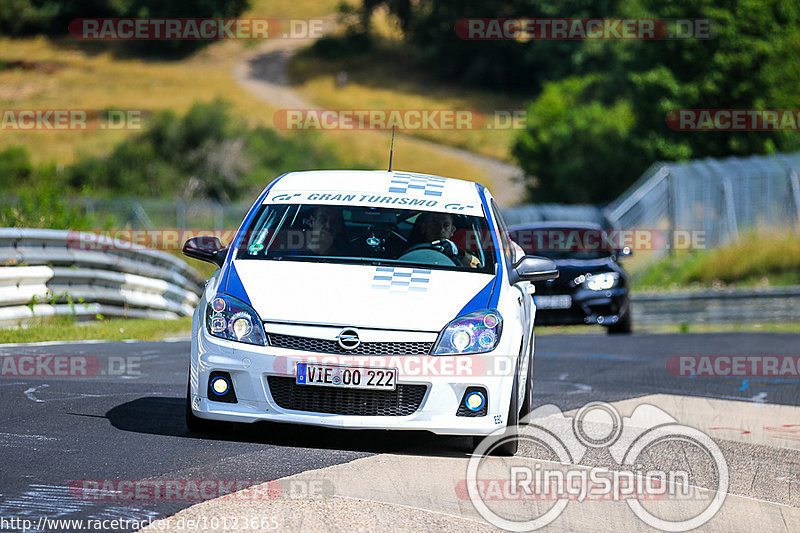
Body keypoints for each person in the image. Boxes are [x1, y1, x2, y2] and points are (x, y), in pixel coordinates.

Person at [407, 212, 481, 268]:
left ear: (452, 230)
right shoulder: (406, 250)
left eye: (446, 226)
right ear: (423, 228)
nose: (441, 230)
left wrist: (458, 254)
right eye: (435, 225)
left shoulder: (458, 253)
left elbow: (477, 266)